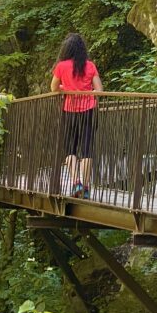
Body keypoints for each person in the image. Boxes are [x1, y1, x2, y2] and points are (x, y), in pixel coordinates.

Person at [50, 33, 103, 198]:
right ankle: (86, 187)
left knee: (70, 149)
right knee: (87, 150)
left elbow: (54, 88)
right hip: (88, 110)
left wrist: (66, 88)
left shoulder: (61, 66)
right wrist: (89, 92)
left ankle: (75, 183)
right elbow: (99, 90)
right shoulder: (90, 66)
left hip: (70, 110)